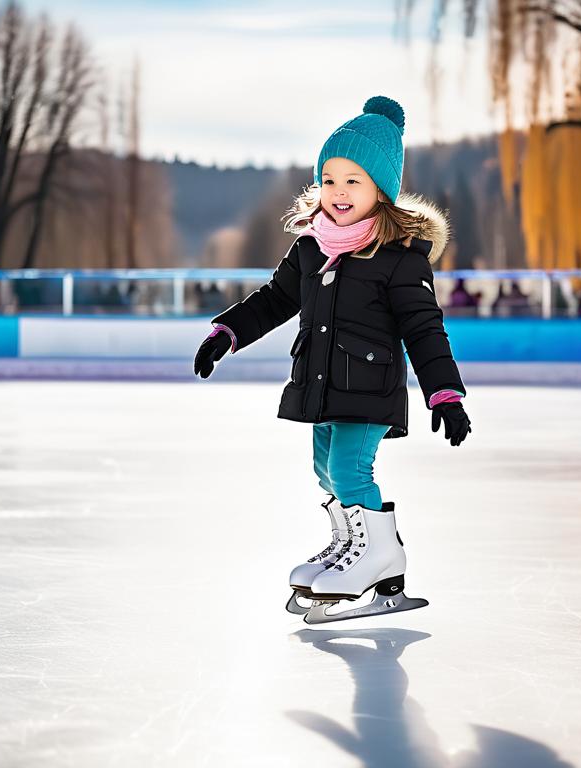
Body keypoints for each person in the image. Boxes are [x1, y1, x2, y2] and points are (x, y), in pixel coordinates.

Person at [193, 96, 472, 624]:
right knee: (324, 468)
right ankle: (356, 549)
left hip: (369, 387)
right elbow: (275, 300)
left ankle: (376, 555)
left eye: (354, 181)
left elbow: (423, 327)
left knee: (349, 468)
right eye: (330, 179)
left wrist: (445, 392)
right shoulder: (310, 249)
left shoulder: (398, 259)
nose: (339, 193)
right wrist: (227, 332)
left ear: (381, 191)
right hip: (321, 382)